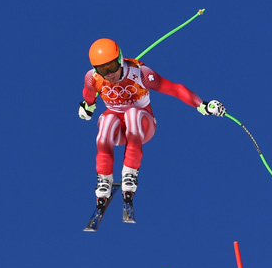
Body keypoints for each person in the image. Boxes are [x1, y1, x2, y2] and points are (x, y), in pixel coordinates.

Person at [78, 38, 227, 206]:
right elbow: (88, 94)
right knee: (106, 120)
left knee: (132, 114)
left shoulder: (140, 73)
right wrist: (88, 107)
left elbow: (175, 89)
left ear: (120, 59)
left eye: (112, 66)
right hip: (118, 130)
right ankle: (104, 179)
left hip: (142, 124)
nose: (109, 74)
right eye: (102, 69)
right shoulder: (94, 79)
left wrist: (202, 105)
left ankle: (130, 173)